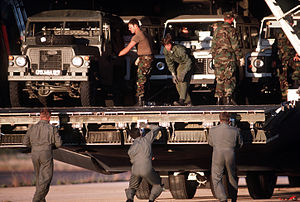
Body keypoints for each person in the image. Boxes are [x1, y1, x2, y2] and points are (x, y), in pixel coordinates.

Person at [23, 108, 62, 202]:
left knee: (39, 178)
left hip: (34, 154)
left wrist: (35, 146)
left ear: (40, 117)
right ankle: (36, 200)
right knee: (46, 179)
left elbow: (25, 142)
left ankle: (41, 200)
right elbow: (59, 144)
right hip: (46, 154)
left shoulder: (32, 128)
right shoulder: (52, 128)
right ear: (49, 118)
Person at [208, 112, 243, 202]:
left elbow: (210, 143)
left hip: (217, 155)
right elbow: (240, 144)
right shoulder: (236, 130)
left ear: (219, 120)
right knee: (232, 177)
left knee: (216, 178)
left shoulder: (212, 130)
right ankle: (234, 198)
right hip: (230, 154)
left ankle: (223, 198)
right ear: (229, 120)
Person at [118, 18, 154, 106]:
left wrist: (118, 55)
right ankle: (145, 100)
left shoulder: (138, 35)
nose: (129, 29)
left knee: (140, 80)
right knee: (145, 80)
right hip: (148, 58)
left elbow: (128, 48)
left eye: (130, 27)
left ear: (136, 26)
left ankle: (140, 101)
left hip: (145, 59)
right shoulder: (145, 34)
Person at [125, 123, 163, 202]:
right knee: (157, 185)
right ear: (140, 133)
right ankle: (151, 200)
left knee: (132, 187)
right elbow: (156, 128)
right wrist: (145, 125)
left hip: (135, 170)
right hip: (146, 169)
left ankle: (129, 199)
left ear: (132, 137)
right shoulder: (146, 139)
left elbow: (132, 160)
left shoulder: (131, 149)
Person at [211, 12, 242, 105]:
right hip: (229, 58)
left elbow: (213, 45)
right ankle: (228, 98)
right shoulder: (232, 30)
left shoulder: (217, 30)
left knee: (219, 78)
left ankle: (219, 99)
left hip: (218, 58)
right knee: (229, 78)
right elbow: (235, 45)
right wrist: (239, 57)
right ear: (232, 19)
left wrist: (214, 57)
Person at [162, 33, 193, 106]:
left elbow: (188, 61)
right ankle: (187, 101)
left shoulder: (179, 49)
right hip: (181, 63)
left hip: (188, 62)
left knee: (183, 79)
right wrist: (173, 74)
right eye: (165, 45)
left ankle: (181, 100)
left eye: (168, 45)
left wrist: (184, 72)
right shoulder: (166, 51)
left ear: (171, 44)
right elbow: (169, 62)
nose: (167, 47)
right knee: (177, 81)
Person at [277, 32, 297, 100]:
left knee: (293, 77)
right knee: (282, 78)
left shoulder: (294, 35)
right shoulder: (280, 36)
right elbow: (276, 48)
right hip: (282, 61)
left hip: (291, 60)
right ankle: (284, 95)